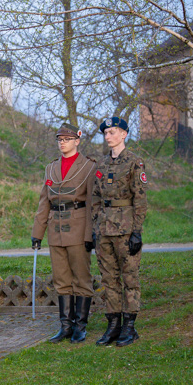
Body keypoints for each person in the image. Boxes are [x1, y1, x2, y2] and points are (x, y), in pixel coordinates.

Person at [31, 123, 98, 343]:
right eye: (60, 139)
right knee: (61, 280)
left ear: (77, 141)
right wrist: (37, 233)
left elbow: (91, 204)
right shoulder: (50, 168)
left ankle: (80, 326)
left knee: (81, 279)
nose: (63, 143)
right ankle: (65, 326)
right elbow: (44, 202)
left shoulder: (88, 167)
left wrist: (90, 235)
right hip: (55, 229)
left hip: (78, 228)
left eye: (67, 139)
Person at [91, 116, 147, 347]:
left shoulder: (135, 162)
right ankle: (113, 325)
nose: (108, 137)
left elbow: (140, 199)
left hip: (125, 229)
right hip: (104, 229)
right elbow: (95, 197)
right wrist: (95, 227)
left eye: (113, 132)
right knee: (109, 279)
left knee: (129, 278)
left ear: (124, 134)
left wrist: (137, 231)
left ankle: (129, 326)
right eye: (106, 133)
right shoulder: (101, 164)